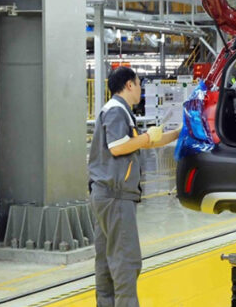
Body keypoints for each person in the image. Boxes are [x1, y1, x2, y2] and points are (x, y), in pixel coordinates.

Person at [88, 67, 181, 307]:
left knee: (106, 262)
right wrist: (147, 137)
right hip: (116, 196)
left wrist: (176, 134)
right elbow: (118, 147)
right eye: (139, 84)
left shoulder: (118, 110)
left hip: (105, 195)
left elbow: (140, 143)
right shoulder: (117, 111)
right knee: (125, 262)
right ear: (129, 85)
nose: (141, 89)